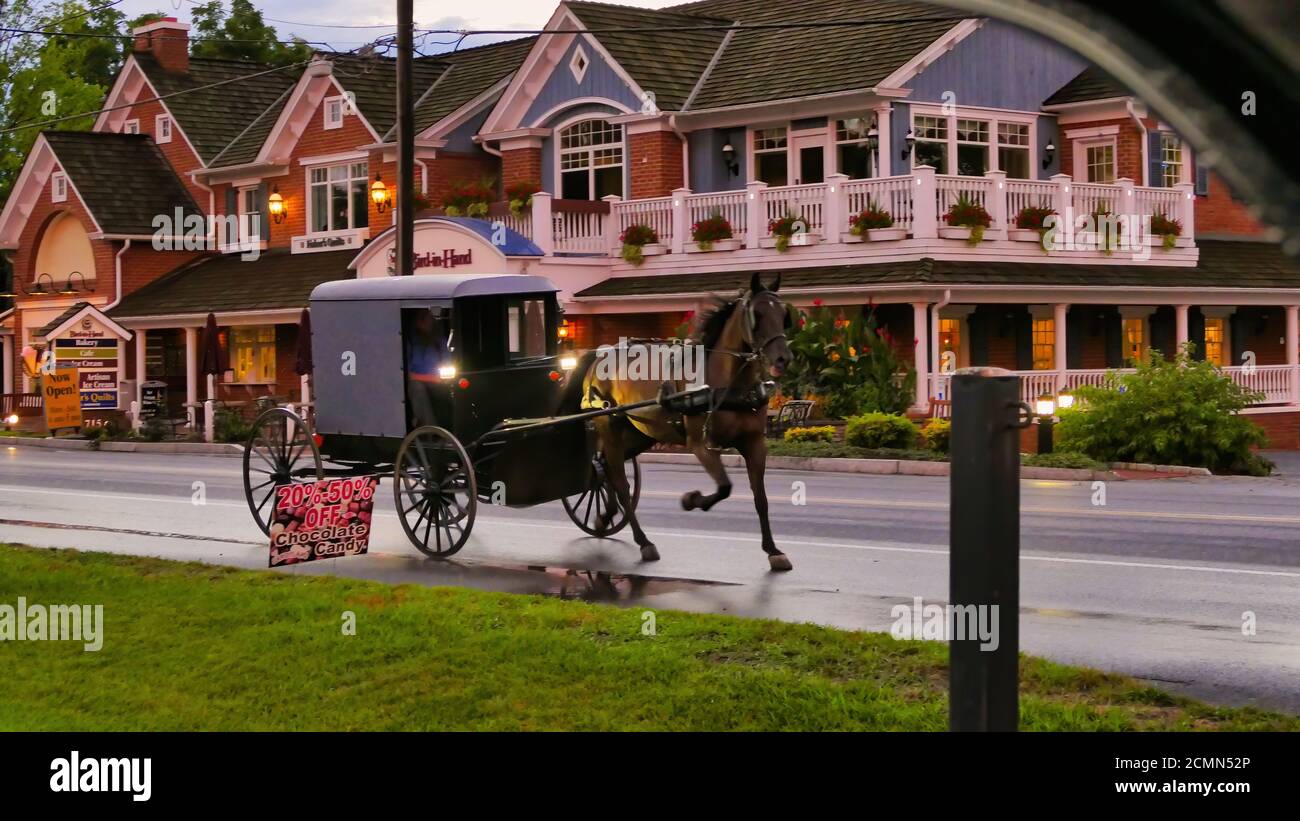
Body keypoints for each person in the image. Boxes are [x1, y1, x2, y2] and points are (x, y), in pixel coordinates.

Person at [406, 310, 449, 428]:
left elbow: (448, 361)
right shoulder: (410, 340)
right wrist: (432, 378)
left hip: (438, 380)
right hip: (419, 380)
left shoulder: (439, 340)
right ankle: (430, 429)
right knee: (416, 388)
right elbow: (409, 374)